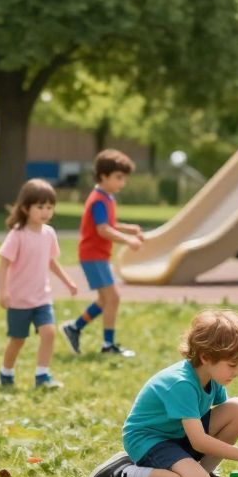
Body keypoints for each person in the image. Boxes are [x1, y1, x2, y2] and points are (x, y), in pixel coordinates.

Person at [86, 309, 238, 477]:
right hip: (151, 441)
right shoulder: (181, 384)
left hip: (179, 436)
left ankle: (205, 473)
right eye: (232, 365)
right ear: (206, 357)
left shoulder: (212, 377)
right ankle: (123, 473)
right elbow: (199, 442)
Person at [0, 178, 78, 390]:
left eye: (50, 207)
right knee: (18, 340)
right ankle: (6, 372)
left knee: (49, 333)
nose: (45, 212)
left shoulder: (49, 233)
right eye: (40, 206)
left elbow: (51, 261)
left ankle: (42, 375)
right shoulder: (18, 234)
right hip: (19, 300)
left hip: (42, 297)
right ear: (25, 207)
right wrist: (3, 291)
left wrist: (68, 282)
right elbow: (4, 263)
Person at [62, 149, 143, 357]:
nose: (122, 183)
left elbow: (110, 223)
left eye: (124, 178)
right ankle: (108, 346)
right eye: (118, 177)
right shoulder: (99, 199)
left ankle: (74, 328)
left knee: (104, 300)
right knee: (113, 298)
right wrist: (128, 240)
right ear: (103, 176)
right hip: (93, 256)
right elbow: (103, 229)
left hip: (98, 256)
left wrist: (128, 228)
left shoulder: (107, 198)